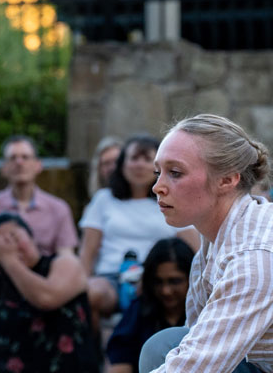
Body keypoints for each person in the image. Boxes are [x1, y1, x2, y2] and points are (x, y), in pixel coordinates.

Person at [138, 114, 273, 373]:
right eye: (159, 172)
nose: (157, 187)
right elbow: (194, 339)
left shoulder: (255, 257)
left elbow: (196, 366)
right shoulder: (216, 239)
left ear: (227, 179)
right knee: (164, 346)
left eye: (175, 173)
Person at [79, 136, 199, 321]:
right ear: (122, 164)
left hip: (158, 280)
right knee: (88, 295)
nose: (140, 165)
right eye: (134, 158)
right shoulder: (103, 199)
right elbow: (87, 252)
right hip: (111, 279)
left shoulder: (172, 200)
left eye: (146, 159)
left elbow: (196, 248)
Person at [0, 212, 100, 373]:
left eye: (15, 237)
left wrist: (9, 259)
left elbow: (46, 298)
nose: (10, 246)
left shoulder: (66, 264)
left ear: (32, 237)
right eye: (2, 244)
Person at [0, 135, 79, 256]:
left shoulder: (58, 209)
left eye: (25, 157)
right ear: (4, 168)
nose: (19, 162)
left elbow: (67, 257)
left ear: (38, 165)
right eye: (12, 158)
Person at [107, 238, 194, 373]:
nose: (166, 291)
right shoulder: (139, 311)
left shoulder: (206, 312)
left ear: (192, 277)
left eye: (174, 281)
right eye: (158, 282)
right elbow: (120, 361)